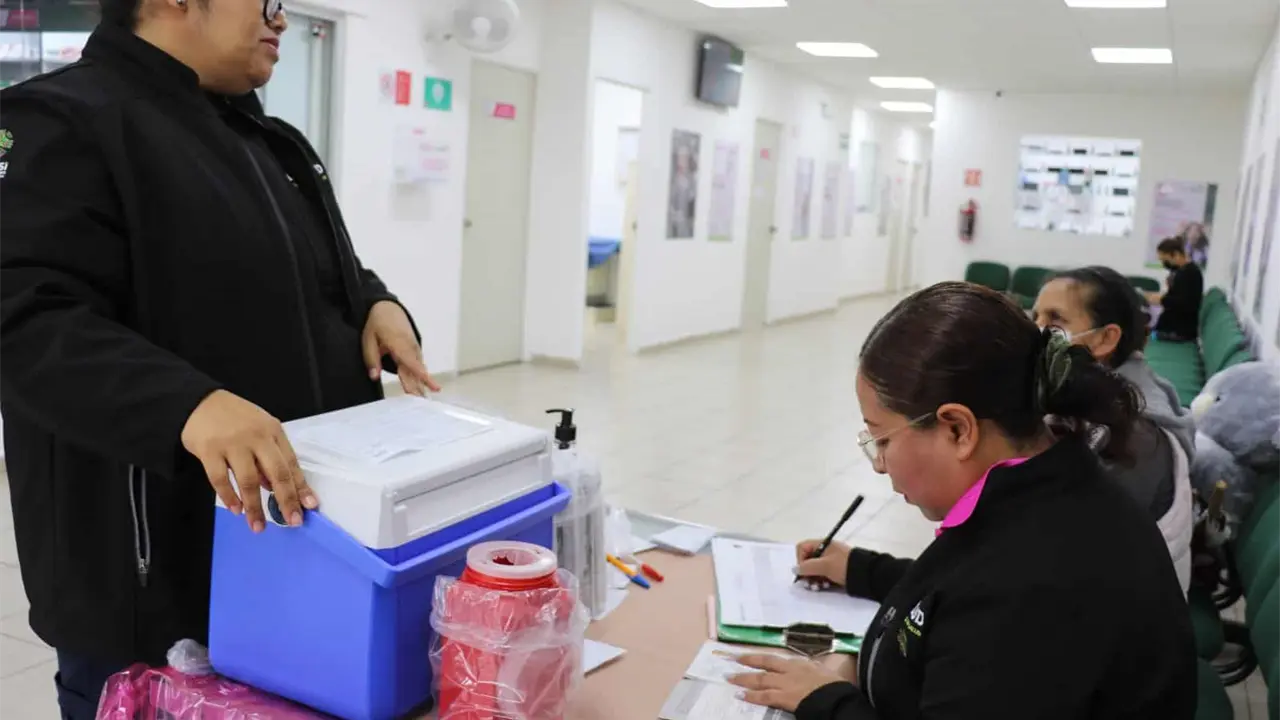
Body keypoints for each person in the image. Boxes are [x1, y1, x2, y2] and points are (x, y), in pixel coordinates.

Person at [0, 1, 438, 717]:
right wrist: (186, 404)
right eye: (266, 2)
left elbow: (324, 272)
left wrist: (377, 303)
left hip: (298, 559)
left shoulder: (274, 143)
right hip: (157, 589)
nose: (282, 20)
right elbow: (22, 319)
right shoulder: (59, 121)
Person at [726, 283, 1196, 719]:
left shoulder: (1040, 579)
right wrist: (861, 570)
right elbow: (959, 590)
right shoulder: (1046, 482)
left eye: (881, 439)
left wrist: (825, 701)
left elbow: (991, 604)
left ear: (958, 429)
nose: (878, 464)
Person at [1034, 266, 1196, 593]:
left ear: (1105, 338)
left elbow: (1066, 551)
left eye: (1055, 320)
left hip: (1130, 614)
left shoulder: (1136, 437)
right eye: (1034, 317)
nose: (1036, 331)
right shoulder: (1090, 397)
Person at [1148, 237, 1205, 341]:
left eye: (1165, 260)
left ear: (1176, 254)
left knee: (1143, 336)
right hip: (1173, 327)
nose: (1164, 264)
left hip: (1179, 332)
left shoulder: (1190, 273)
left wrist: (1162, 300)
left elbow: (1186, 304)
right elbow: (1178, 296)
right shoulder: (1182, 271)